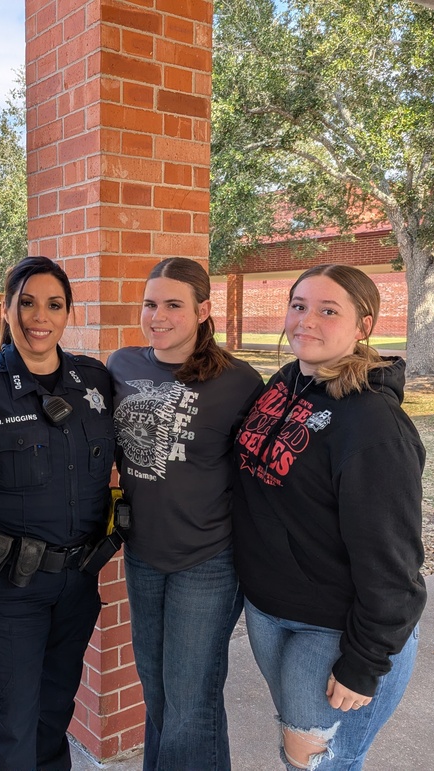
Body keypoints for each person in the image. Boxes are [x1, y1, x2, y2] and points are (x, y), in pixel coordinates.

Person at [232, 264, 426, 771]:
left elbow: (393, 560)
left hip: (334, 627)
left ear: (363, 325)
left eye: (327, 310)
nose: (306, 321)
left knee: (317, 763)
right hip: (269, 610)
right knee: (298, 750)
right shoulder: (288, 380)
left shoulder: (373, 425)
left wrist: (365, 662)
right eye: (299, 306)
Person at [0, 256, 115, 770]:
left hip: (75, 586)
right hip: (4, 592)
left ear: (68, 314)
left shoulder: (95, 384)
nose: (38, 317)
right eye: (26, 302)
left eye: (53, 304)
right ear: (5, 308)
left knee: (51, 721)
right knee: (9, 734)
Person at [108, 257, 264, 770]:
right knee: (157, 695)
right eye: (150, 304)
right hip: (144, 556)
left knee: (190, 703)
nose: (158, 316)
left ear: (203, 309)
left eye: (173, 304)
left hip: (208, 560)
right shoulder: (122, 365)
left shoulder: (239, 381)